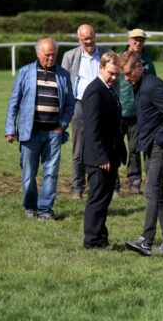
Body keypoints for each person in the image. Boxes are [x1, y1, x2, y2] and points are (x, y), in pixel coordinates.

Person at [120, 51, 163, 256]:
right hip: (149, 145)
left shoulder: (153, 86)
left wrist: (160, 138)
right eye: (124, 75)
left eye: (129, 73)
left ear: (139, 66)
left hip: (161, 146)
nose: (126, 78)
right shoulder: (138, 85)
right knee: (156, 191)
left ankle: (146, 241)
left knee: (151, 189)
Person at [5, 38, 74, 220]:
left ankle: (45, 211)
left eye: (53, 55)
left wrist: (63, 125)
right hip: (30, 133)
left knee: (51, 174)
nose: (51, 58)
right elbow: (14, 102)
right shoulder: (25, 72)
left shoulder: (63, 75)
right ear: (38, 54)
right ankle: (30, 207)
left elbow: (70, 104)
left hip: (53, 133)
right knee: (28, 174)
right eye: (47, 55)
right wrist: (10, 128)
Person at [82, 52, 127, 249]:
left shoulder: (108, 88)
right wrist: (101, 156)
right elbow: (92, 129)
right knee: (98, 199)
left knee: (104, 199)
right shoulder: (95, 91)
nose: (115, 78)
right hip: (98, 158)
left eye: (117, 74)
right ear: (101, 68)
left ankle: (100, 237)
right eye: (111, 73)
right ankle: (92, 241)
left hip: (110, 155)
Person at [61, 24, 109, 200]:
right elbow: (65, 85)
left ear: (95, 36)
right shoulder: (70, 56)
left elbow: (114, 79)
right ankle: (77, 188)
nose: (88, 41)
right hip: (79, 106)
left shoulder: (106, 53)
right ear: (79, 39)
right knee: (78, 148)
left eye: (90, 37)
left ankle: (110, 185)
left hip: (102, 105)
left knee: (105, 144)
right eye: (84, 39)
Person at [115, 28, 157, 196]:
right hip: (118, 111)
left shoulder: (147, 62)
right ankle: (114, 185)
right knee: (116, 149)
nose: (138, 43)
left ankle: (134, 183)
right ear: (128, 40)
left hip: (138, 113)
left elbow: (153, 86)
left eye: (141, 40)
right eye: (135, 39)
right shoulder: (118, 59)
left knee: (134, 149)